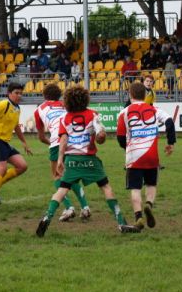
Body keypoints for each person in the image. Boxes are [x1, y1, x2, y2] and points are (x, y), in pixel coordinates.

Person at [35, 85, 138, 237]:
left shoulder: (64, 118)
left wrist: (60, 160)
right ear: (85, 99)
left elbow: (63, 140)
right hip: (90, 160)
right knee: (106, 188)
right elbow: (101, 135)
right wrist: (100, 136)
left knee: (62, 190)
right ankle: (121, 222)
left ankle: (47, 217)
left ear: (68, 101)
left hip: (71, 160)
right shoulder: (92, 114)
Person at [116, 82, 176, 231]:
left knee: (135, 188)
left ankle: (139, 217)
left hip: (134, 157)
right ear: (145, 95)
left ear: (130, 95)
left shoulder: (124, 113)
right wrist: (171, 143)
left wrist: (127, 147)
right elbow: (169, 122)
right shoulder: (154, 110)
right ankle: (148, 205)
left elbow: (120, 138)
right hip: (152, 156)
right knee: (151, 184)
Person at [34, 83, 91, 221]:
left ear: (44, 95)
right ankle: (85, 207)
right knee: (71, 176)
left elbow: (41, 137)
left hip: (56, 141)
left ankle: (69, 208)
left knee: (57, 177)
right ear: (60, 95)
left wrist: (52, 144)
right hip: (73, 142)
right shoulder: (66, 104)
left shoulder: (39, 110)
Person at [0, 82, 32, 209]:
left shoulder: (17, 108)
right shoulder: (4, 104)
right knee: (1, 169)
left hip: (4, 142)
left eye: (21, 93)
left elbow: (16, 126)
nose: (19, 96)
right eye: (16, 93)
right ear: (9, 93)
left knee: (22, 166)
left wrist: (24, 143)